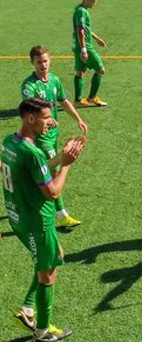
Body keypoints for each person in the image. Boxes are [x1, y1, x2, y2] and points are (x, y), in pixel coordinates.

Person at [2, 98, 87, 342]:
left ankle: (28, 309)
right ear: (31, 118)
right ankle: (42, 330)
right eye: (46, 117)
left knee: (52, 256)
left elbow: (32, 171)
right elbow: (53, 192)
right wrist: (67, 165)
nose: (51, 121)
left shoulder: (10, 142)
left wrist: (60, 157)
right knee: (48, 272)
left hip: (16, 216)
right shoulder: (34, 152)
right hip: (37, 220)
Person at [21, 45, 88, 229]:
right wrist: (46, 120)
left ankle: (30, 196)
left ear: (50, 60)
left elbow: (64, 101)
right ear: (32, 63)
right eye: (39, 62)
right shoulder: (29, 86)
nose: (43, 65)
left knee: (46, 170)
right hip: (41, 137)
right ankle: (61, 214)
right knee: (54, 172)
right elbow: (30, 111)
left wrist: (78, 119)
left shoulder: (55, 81)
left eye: (45, 61)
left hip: (53, 135)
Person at [72, 0, 109, 107]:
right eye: (93, 1)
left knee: (80, 72)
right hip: (85, 46)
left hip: (78, 45)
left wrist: (97, 38)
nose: (95, 3)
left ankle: (77, 101)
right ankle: (92, 98)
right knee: (100, 70)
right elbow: (80, 30)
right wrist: (84, 49)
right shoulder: (82, 12)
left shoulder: (79, 9)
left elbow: (85, 29)